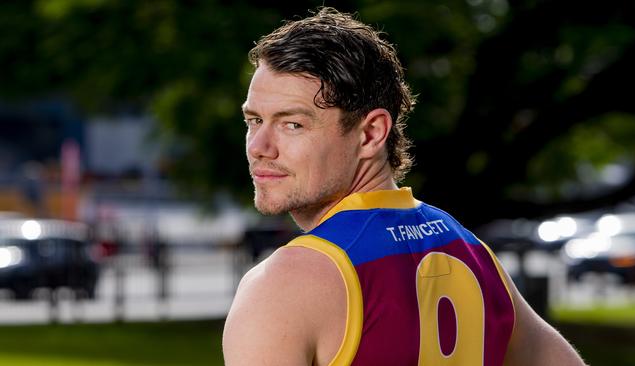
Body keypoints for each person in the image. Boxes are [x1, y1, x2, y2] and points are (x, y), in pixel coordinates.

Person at [223, 7, 587, 366]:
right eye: (254, 120)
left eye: (292, 125)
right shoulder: (467, 247)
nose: (258, 147)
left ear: (370, 133)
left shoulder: (284, 284)